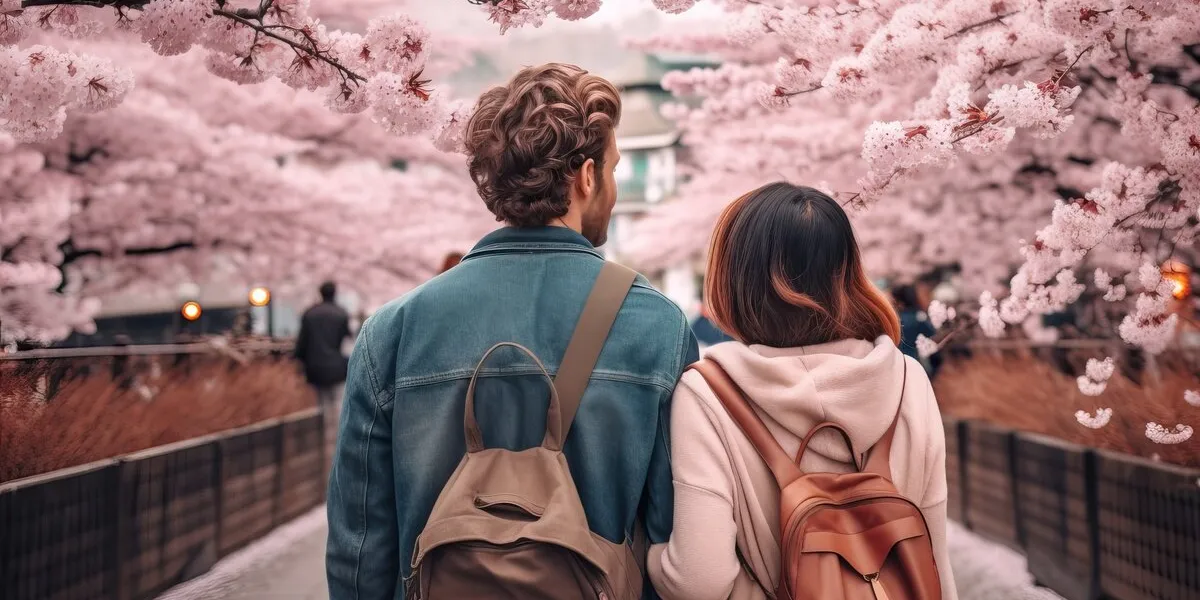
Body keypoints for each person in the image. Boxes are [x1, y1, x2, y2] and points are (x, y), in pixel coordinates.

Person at [326, 63, 699, 599]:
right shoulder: (655, 327)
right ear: (586, 177)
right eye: (613, 168)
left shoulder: (392, 332)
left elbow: (360, 549)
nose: (613, 187)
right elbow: (674, 544)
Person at [647, 183, 956, 600]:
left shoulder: (708, 392)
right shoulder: (907, 380)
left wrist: (651, 558)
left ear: (734, 279)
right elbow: (933, 556)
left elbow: (700, 580)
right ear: (846, 274)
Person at [295, 281, 351, 441]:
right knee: (338, 403)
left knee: (322, 405)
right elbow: (347, 342)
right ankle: (336, 440)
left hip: (315, 367)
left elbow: (302, 343)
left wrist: (300, 361)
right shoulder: (341, 313)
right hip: (337, 367)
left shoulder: (310, 313)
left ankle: (324, 439)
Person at [892, 283, 941, 378]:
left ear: (899, 301)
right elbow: (931, 333)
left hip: (899, 363)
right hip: (917, 362)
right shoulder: (918, 316)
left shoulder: (896, 318)